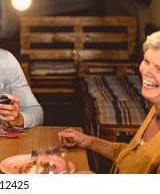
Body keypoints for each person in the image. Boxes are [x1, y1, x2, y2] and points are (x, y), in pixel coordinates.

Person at [58, 31, 160, 174]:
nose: (146, 71)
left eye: (159, 68)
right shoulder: (155, 109)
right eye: (146, 61)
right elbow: (132, 157)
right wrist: (87, 141)